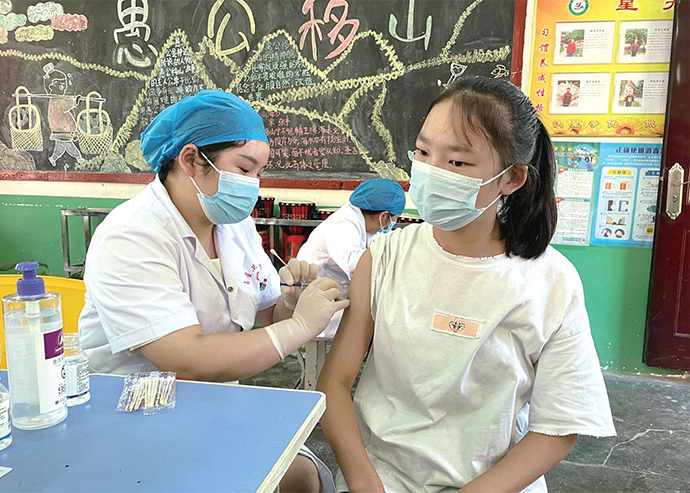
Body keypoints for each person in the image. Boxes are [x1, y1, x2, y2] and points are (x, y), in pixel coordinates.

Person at [317, 77, 616, 492]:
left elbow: (559, 426)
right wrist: (365, 482)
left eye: (457, 163)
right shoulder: (384, 258)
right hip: (384, 479)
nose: (431, 172)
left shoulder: (551, 280)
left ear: (512, 179)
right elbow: (333, 383)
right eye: (423, 153)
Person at [78, 90, 349, 492]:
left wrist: (290, 303)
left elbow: (265, 311)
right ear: (190, 159)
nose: (253, 185)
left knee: (303, 477)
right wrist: (299, 327)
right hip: (136, 411)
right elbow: (186, 359)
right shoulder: (130, 236)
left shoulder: (233, 225)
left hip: (213, 403)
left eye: (259, 172)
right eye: (244, 168)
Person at [296, 178, 406, 340]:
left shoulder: (365, 225)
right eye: (395, 219)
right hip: (320, 300)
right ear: (383, 216)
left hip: (336, 294)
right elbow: (357, 265)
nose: (392, 224)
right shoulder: (344, 225)